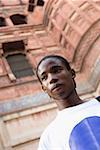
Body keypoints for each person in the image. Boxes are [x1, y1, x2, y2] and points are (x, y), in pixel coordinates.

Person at [36, 55, 100, 150]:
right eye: (44, 77)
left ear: (72, 73)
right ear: (43, 88)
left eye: (56, 71)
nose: (52, 79)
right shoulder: (49, 138)